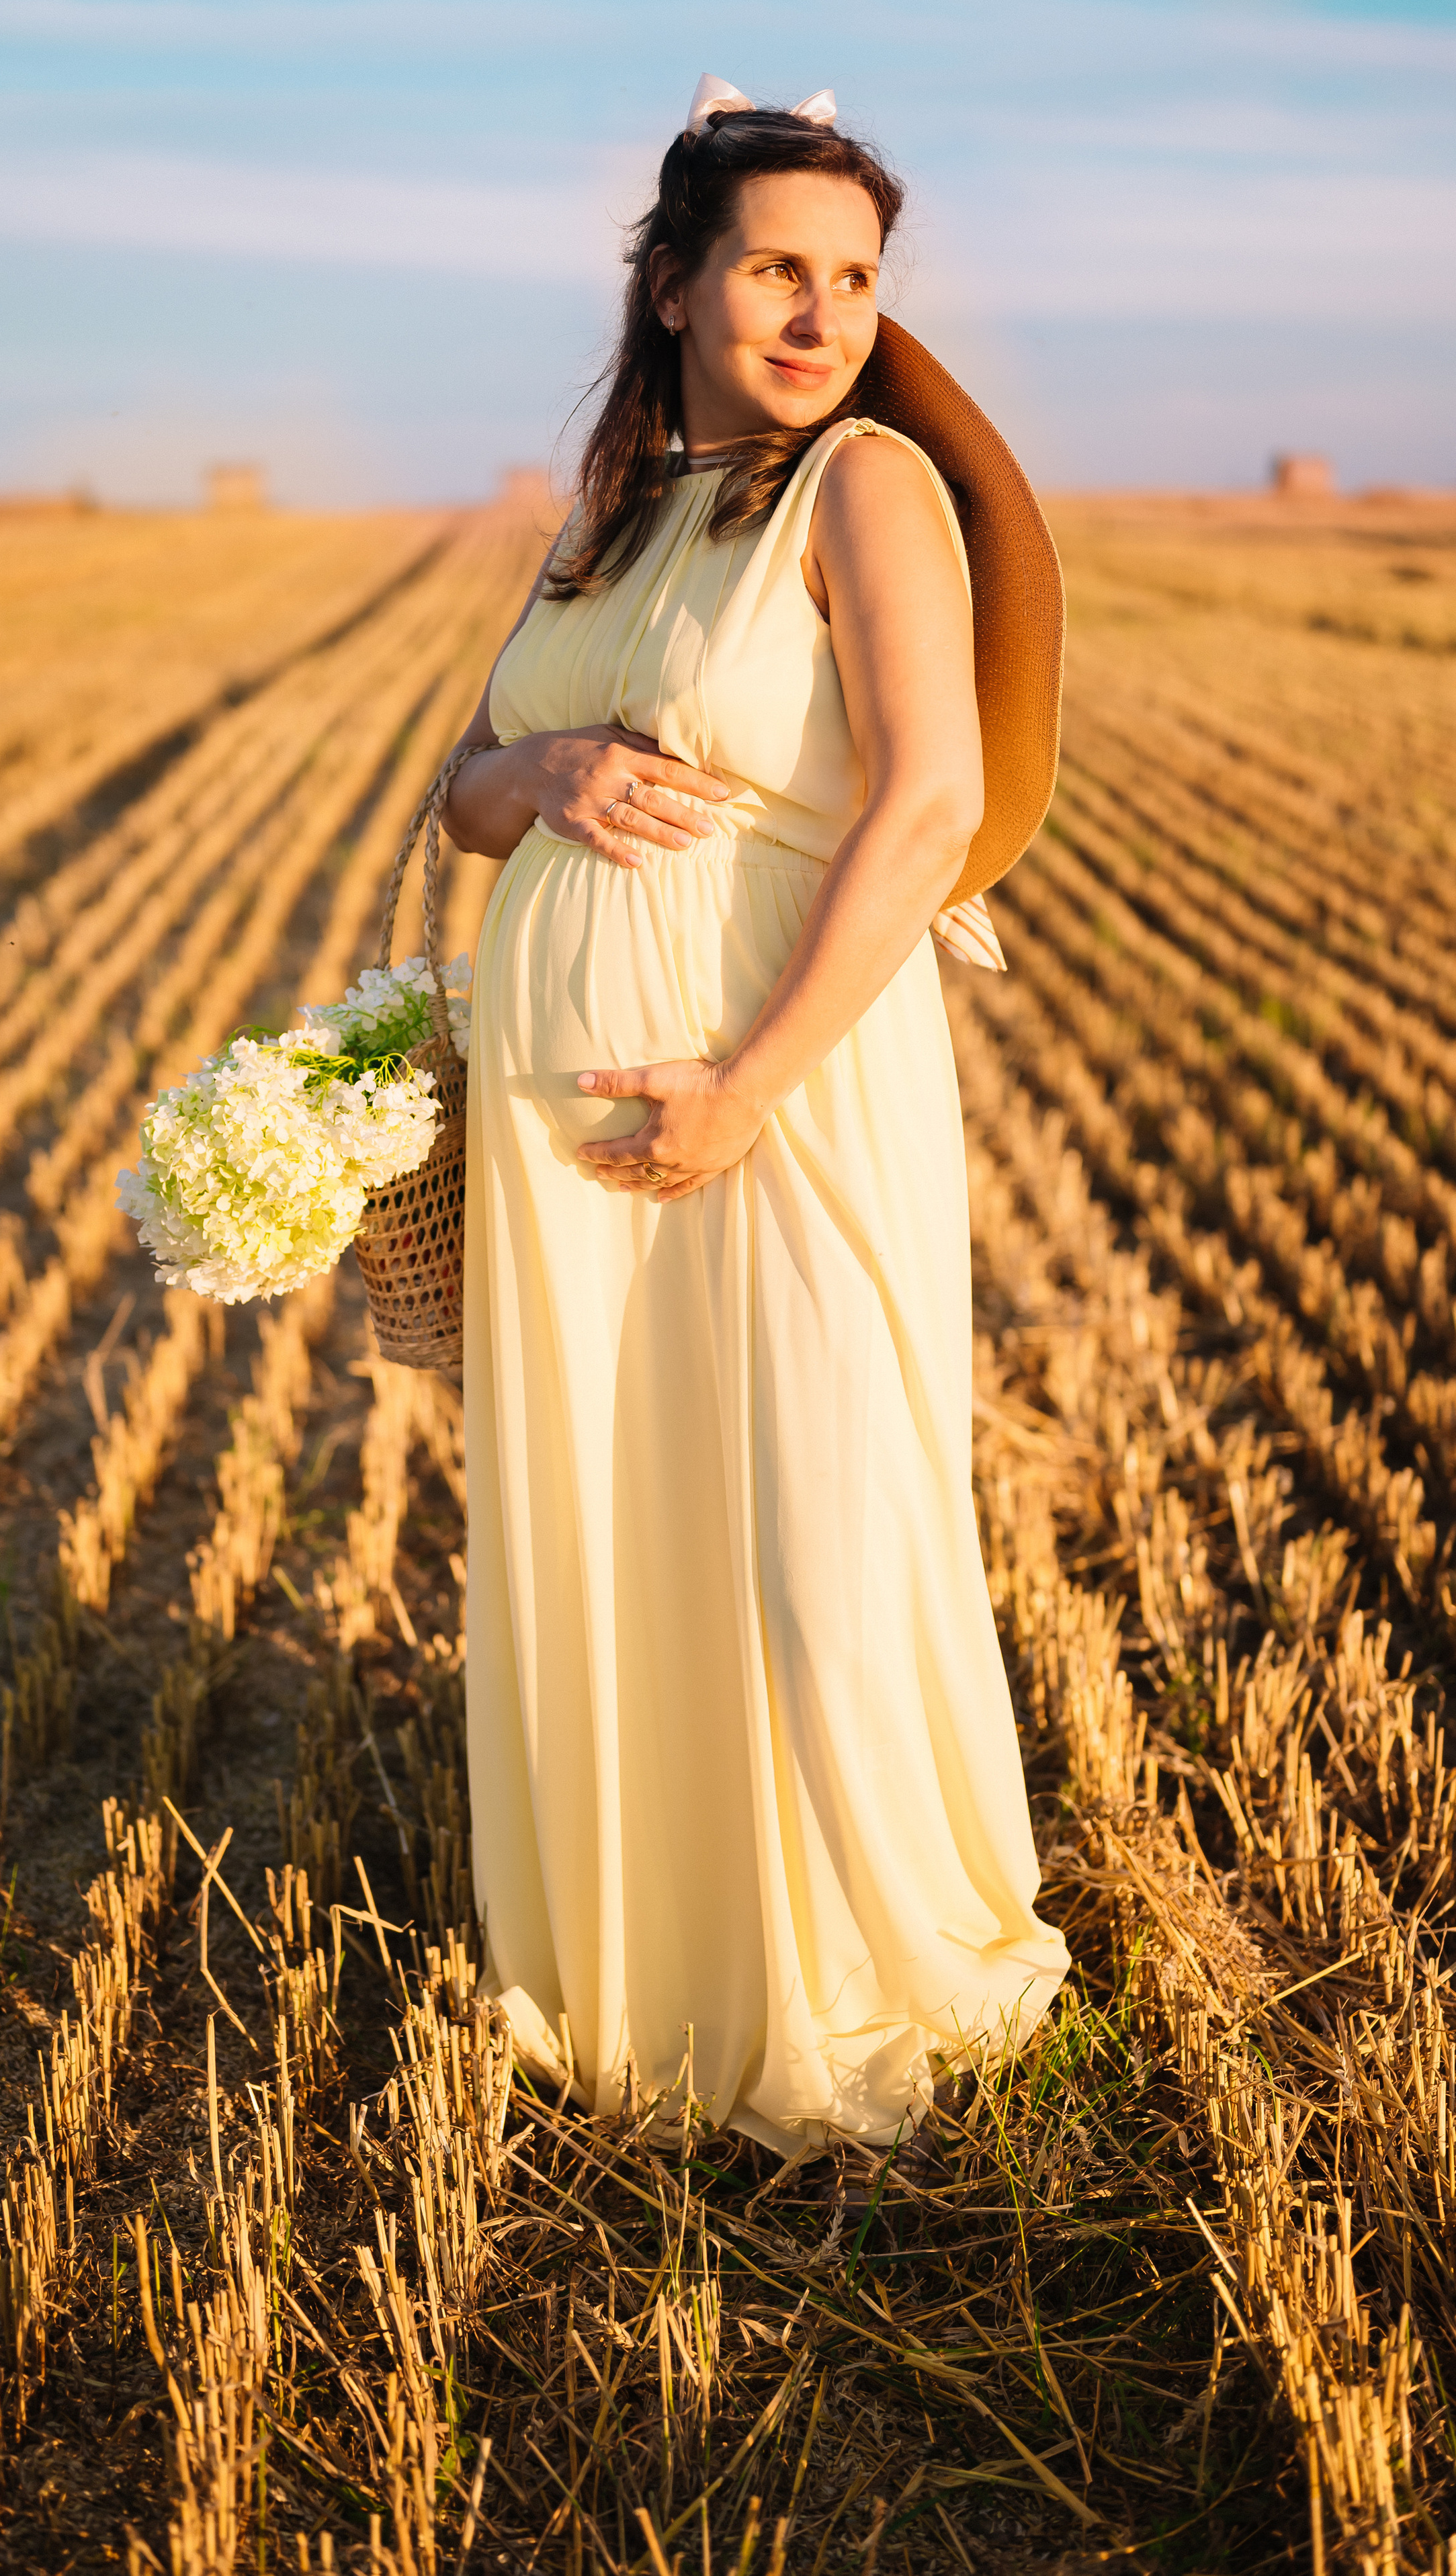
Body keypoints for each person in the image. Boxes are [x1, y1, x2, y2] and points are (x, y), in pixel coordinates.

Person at [440, 75, 1070, 2153]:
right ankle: (653, 1972)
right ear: (681, 282)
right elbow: (466, 784)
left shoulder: (866, 485)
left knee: (814, 1511)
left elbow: (929, 806)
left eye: (857, 278)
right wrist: (538, 785)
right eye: (780, 268)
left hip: (782, 1079)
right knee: (619, 1504)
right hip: (574, 1135)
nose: (821, 313)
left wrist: (743, 1084)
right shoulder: (608, 510)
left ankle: (867, 1961)